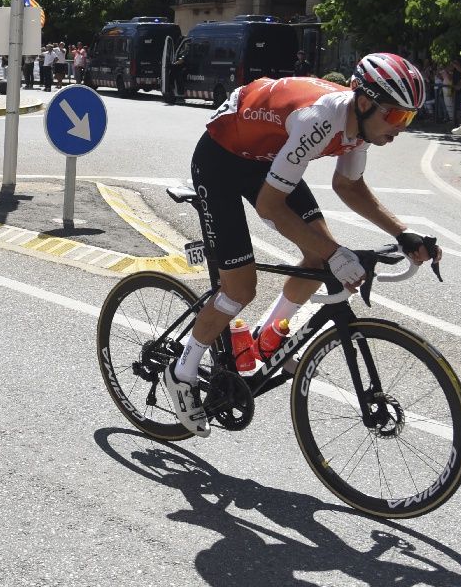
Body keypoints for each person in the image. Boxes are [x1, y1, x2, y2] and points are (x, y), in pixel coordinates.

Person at [159, 54, 442, 436]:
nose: (400, 129)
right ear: (364, 102)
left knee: (320, 254)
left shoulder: (359, 127)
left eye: (408, 119)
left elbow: (350, 186)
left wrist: (401, 233)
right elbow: (269, 206)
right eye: (395, 117)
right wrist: (336, 254)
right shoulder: (321, 120)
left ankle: (267, 334)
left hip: (266, 158)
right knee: (240, 288)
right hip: (221, 159)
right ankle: (182, 370)